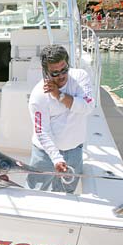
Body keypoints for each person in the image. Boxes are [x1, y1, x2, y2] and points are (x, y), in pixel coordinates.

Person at [26, 45, 94, 193]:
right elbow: (42, 131)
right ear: (45, 72)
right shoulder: (38, 95)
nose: (61, 76)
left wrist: (60, 96)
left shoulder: (81, 77)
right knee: (35, 194)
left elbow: (88, 107)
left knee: (66, 194)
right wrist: (56, 158)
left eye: (64, 70)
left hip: (75, 151)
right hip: (44, 154)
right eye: (55, 73)